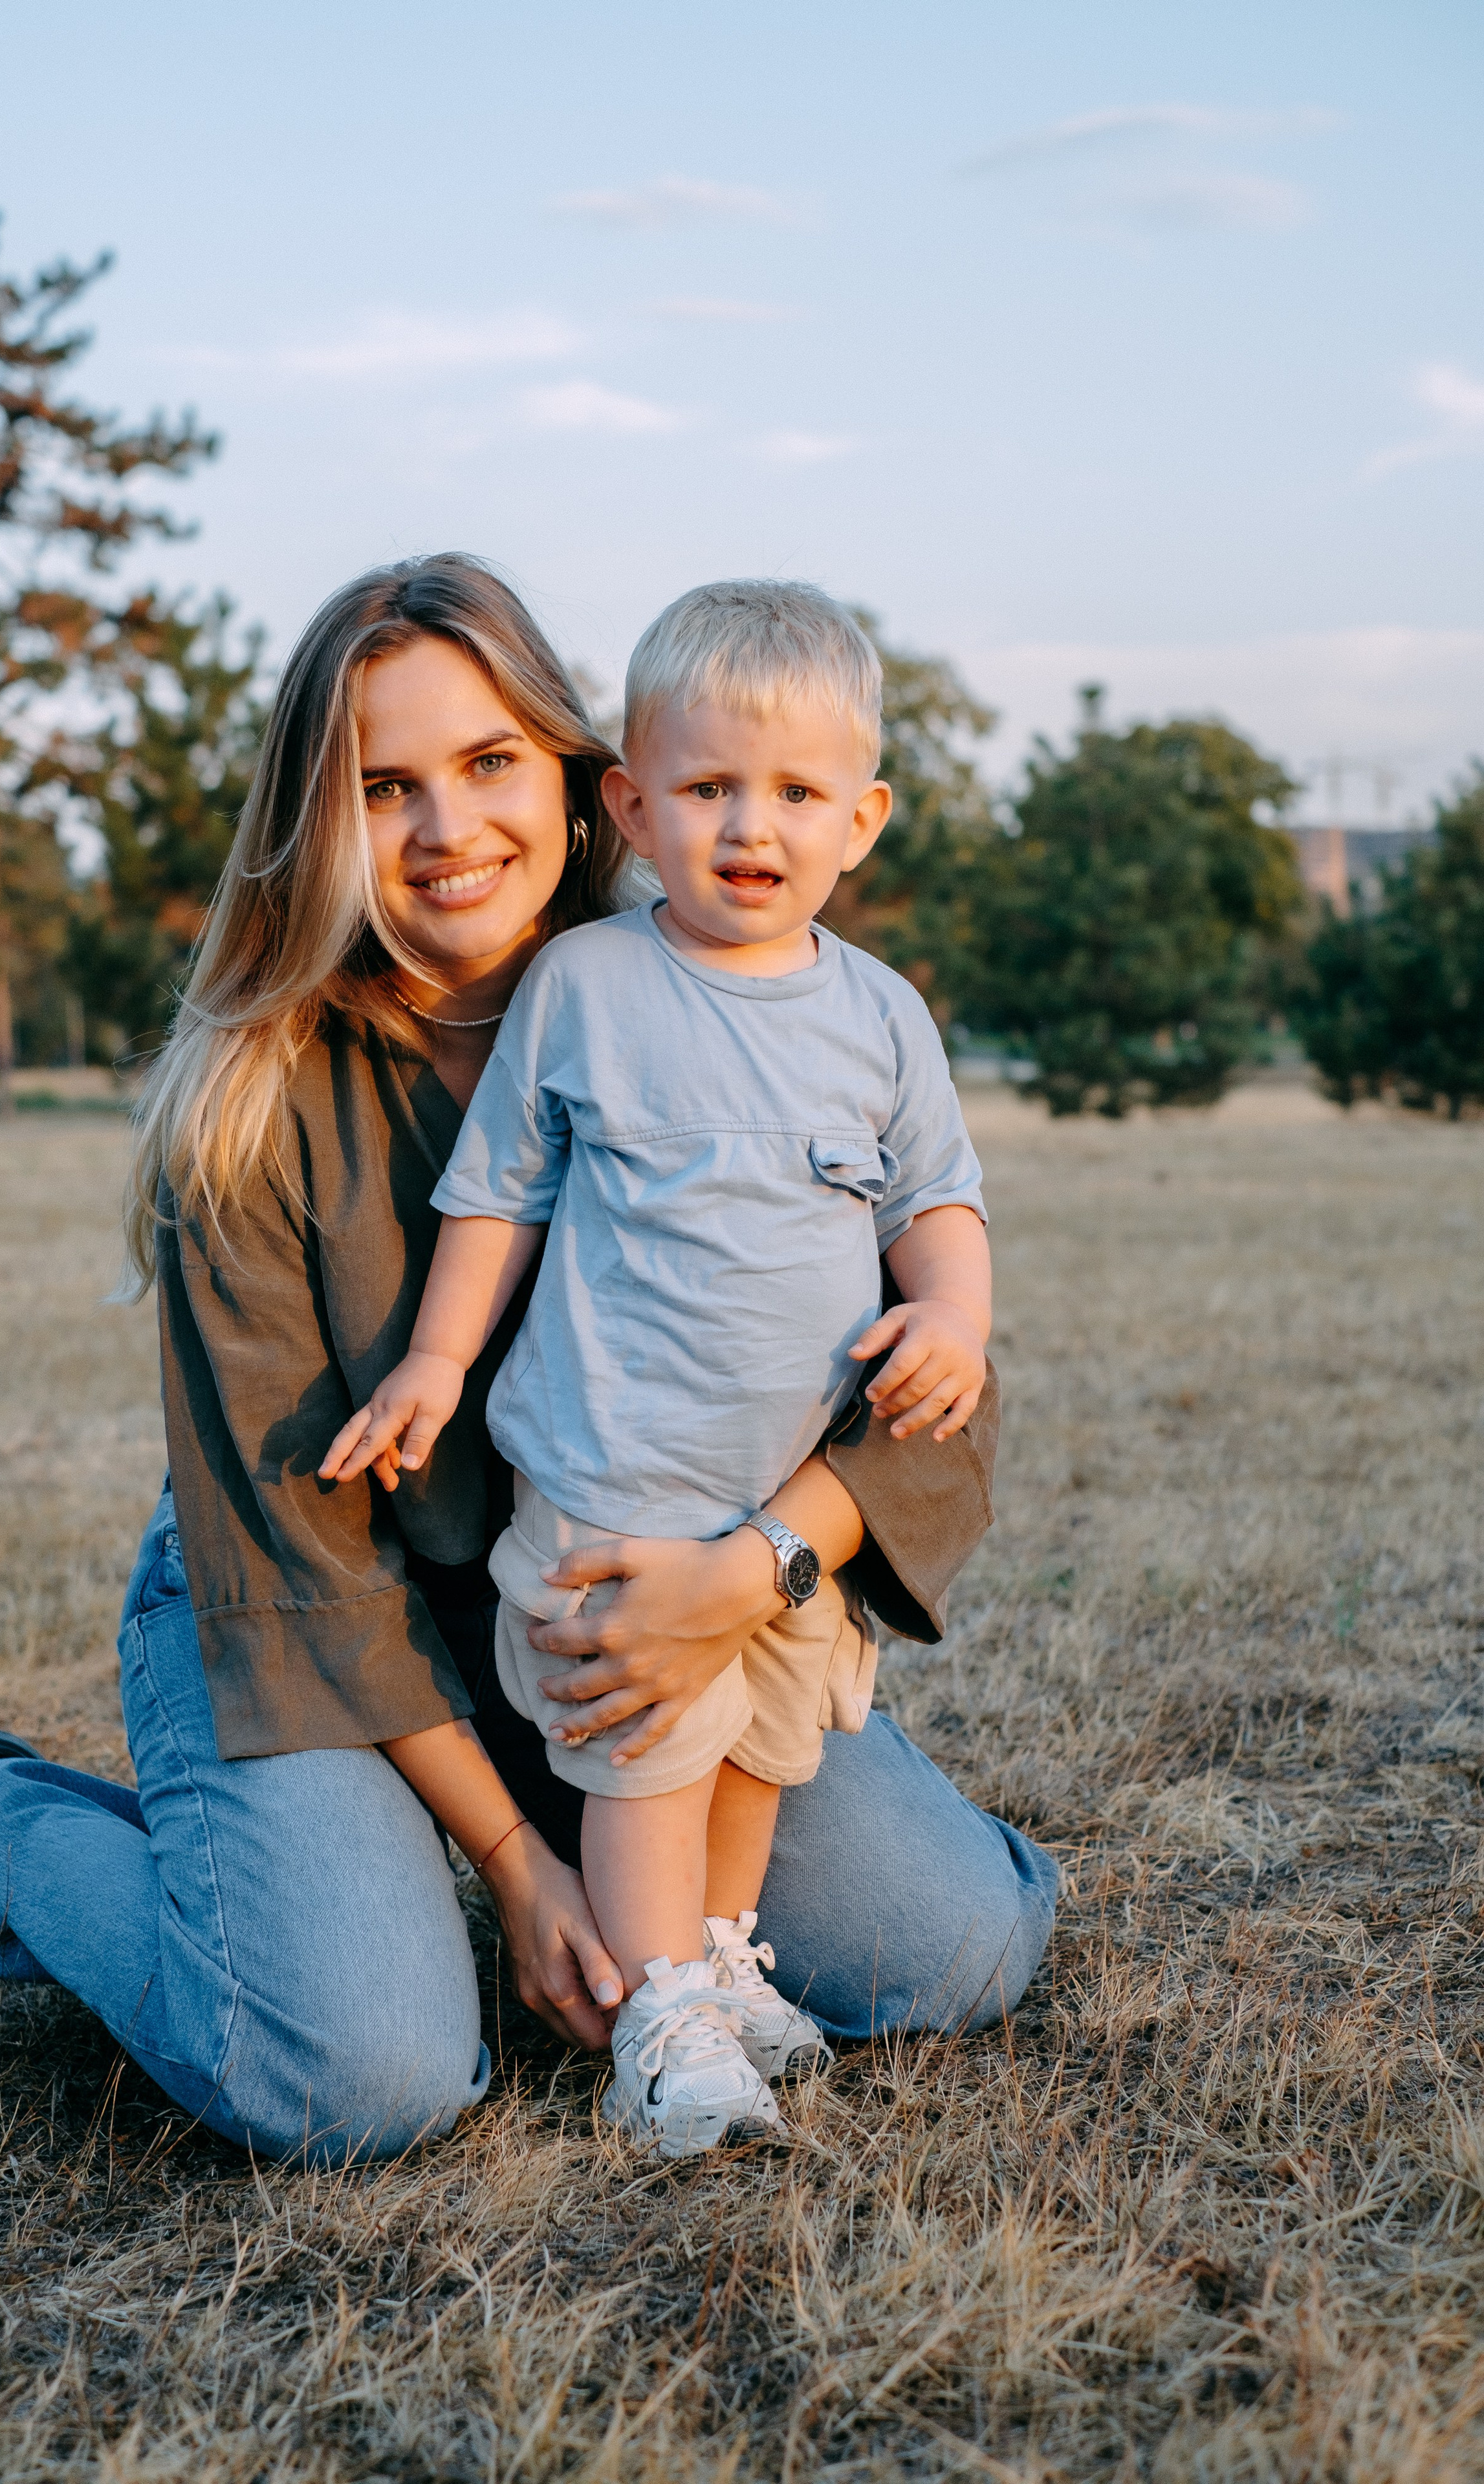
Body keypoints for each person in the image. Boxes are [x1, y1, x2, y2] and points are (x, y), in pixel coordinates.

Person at [0, 554, 1058, 2169]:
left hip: (654, 1585)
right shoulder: (247, 1108)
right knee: (358, 2077)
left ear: (572, 778)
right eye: (384, 787)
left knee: (944, 1954)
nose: (449, 829)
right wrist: (523, 1872)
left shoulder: (719, 978)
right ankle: (15, 1827)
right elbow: (293, 1534)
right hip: (325, 1609)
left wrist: (745, 1577)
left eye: (486, 764)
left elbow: (924, 1378)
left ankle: (752, 1865)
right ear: (319, 821)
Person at [323, 581, 993, 2157]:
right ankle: (656, 2010)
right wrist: (432, 1360)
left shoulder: (882, 1020)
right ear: (626, 806)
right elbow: (494, 1195)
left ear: (862, 819)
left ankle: (723, 1963)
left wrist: (951, 1319)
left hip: (778, 1506)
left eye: (794, 794)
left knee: (761, 1743)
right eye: (704, 790)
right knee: (646, 1752)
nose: (748, 826)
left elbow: (935, 1202)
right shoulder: (591, 990)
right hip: (620, 1490)